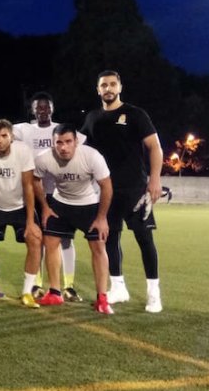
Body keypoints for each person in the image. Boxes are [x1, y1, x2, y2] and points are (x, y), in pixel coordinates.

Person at [81, 70, 164, 313]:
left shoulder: (136, 114)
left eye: (112, 84)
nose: (108, 88)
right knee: (110, 238)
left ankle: (153, 292)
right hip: (105, 191)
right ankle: (118, 287)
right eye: (103, 85)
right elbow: (81, 150)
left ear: (120, 87)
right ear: (98, 90)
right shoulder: (92, 118)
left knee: (144, 238)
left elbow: (155, 147)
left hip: (136, 189)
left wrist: (155, 179)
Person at [33, 124, 114, 314]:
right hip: (61, 204)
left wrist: (102, 218)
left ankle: (102, 298)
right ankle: (54, 292)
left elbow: (107, 186)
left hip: (89, 205)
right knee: (50, 242)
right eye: (59, 142)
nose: (63, 147)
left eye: (68, 142)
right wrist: (45, 207)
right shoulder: (44, 158)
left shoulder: (92, 156)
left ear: (76, 142)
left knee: (98, 248)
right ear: (53, 143)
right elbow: (35, 180)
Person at [14, 91, 86, 301]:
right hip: (34, 195)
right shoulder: (23, 129)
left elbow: (81, 147)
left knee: (65, 240)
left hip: (60, 194)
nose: (42, 110)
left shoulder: (63, 130)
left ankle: (69, 286)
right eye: (38, 107)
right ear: (32, 110)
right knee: (37, 239)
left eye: (46, 107)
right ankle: (37, 285)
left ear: (52, 109)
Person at [0, 119, 42, 307]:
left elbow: (28, 186)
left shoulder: (23, 151)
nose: (0, 140)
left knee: (35, 239)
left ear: (11, 137)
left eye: (4, 136)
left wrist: (30, 221)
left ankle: (27, 292)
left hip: (20, 206)